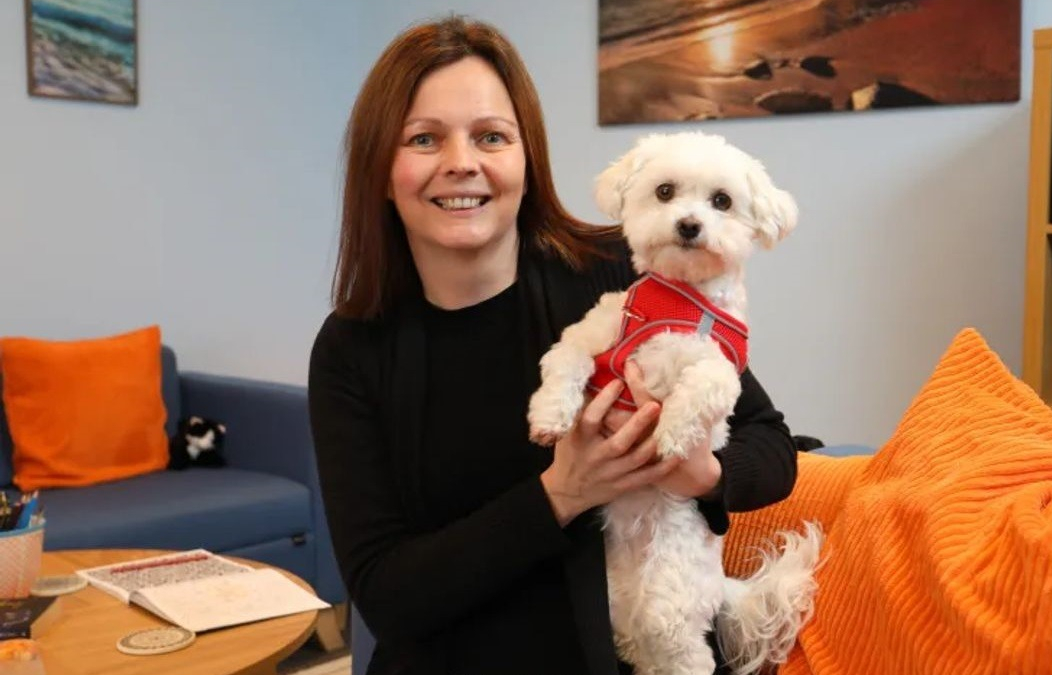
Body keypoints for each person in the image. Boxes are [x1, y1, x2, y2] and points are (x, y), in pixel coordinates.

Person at [308, 15, 798, 675]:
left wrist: (703, 474)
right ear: (380, 167)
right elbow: (387, 596)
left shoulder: (622, 273)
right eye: (424, 138)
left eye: (490, 136)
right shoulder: (351, 349)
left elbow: (771, 445)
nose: (462, 163)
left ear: (525, 157)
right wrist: (563, 492)